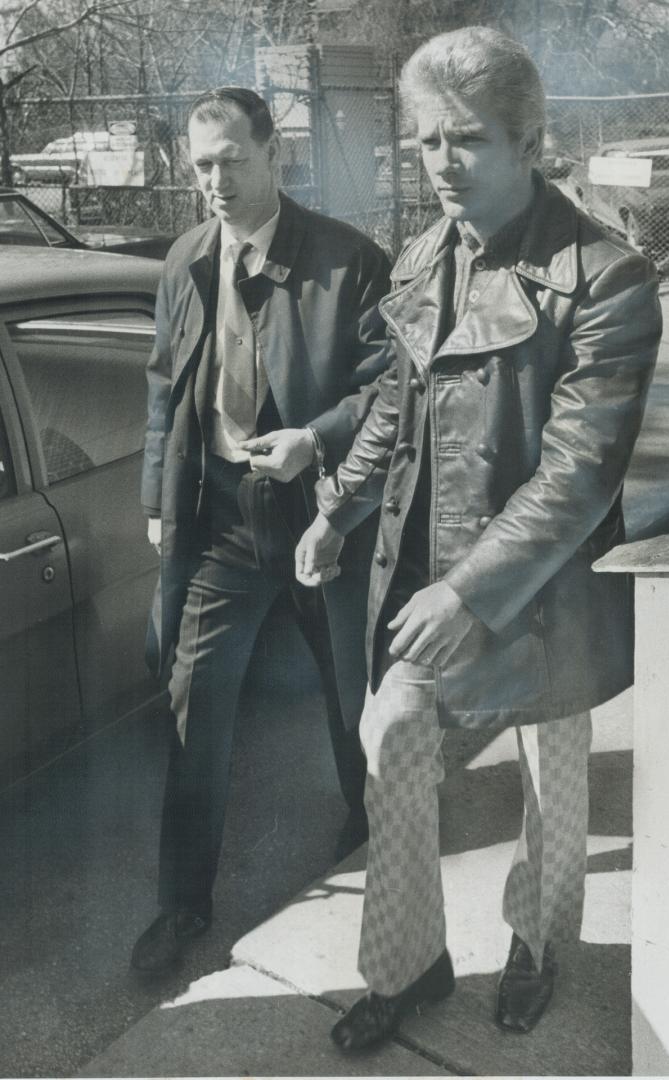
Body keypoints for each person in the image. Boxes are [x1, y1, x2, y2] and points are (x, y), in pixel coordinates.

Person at [295, 26, 662, 1049]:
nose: (443, 166)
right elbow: (390, 409)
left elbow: (581, 473)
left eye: (467, 142)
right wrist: (338, 511)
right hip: (429, 582)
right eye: (426, 144)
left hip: (545, 597)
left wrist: (468, 591)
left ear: (528, 141)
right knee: (391, 739)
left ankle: (537, 952)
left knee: (554, 790)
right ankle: (409, 966)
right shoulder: (421, 258)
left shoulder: (606, 276)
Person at [132, 86, 391, 974]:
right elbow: (166, 387)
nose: (214, 180)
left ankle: (371, 840)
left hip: (326, 520)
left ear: (272, 153)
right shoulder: (186, 260)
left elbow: (389, 389)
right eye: (200, 165)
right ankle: (181, 907)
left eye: (230, 160)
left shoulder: (348, 260)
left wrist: (315, 442)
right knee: (193, 707)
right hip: (220, 530)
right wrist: (159, 506)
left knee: (352, 696)